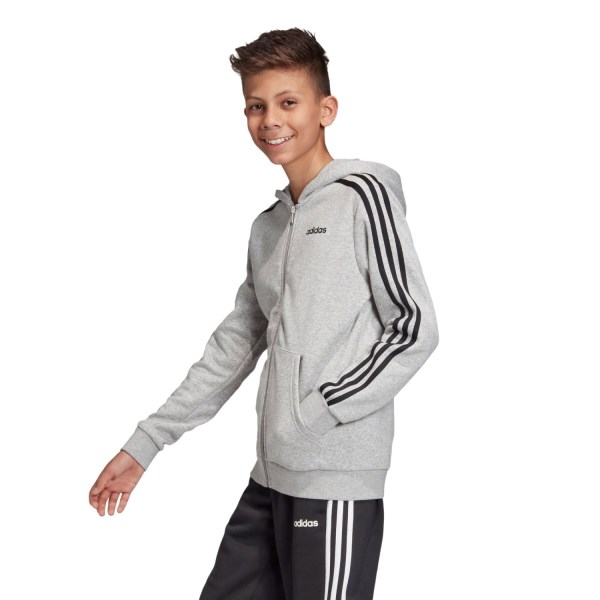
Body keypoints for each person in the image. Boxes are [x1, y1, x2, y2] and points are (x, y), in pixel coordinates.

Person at [89, 27, 439, 600]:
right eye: (256, 106)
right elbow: (233, 349)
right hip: (270, 476)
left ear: (326, 110)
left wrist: (319, 410)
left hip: (332, 481)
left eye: (288, 102)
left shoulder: (363, 198)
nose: (270, 120)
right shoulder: (268, 227)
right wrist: (144, 445)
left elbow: (413, 326)